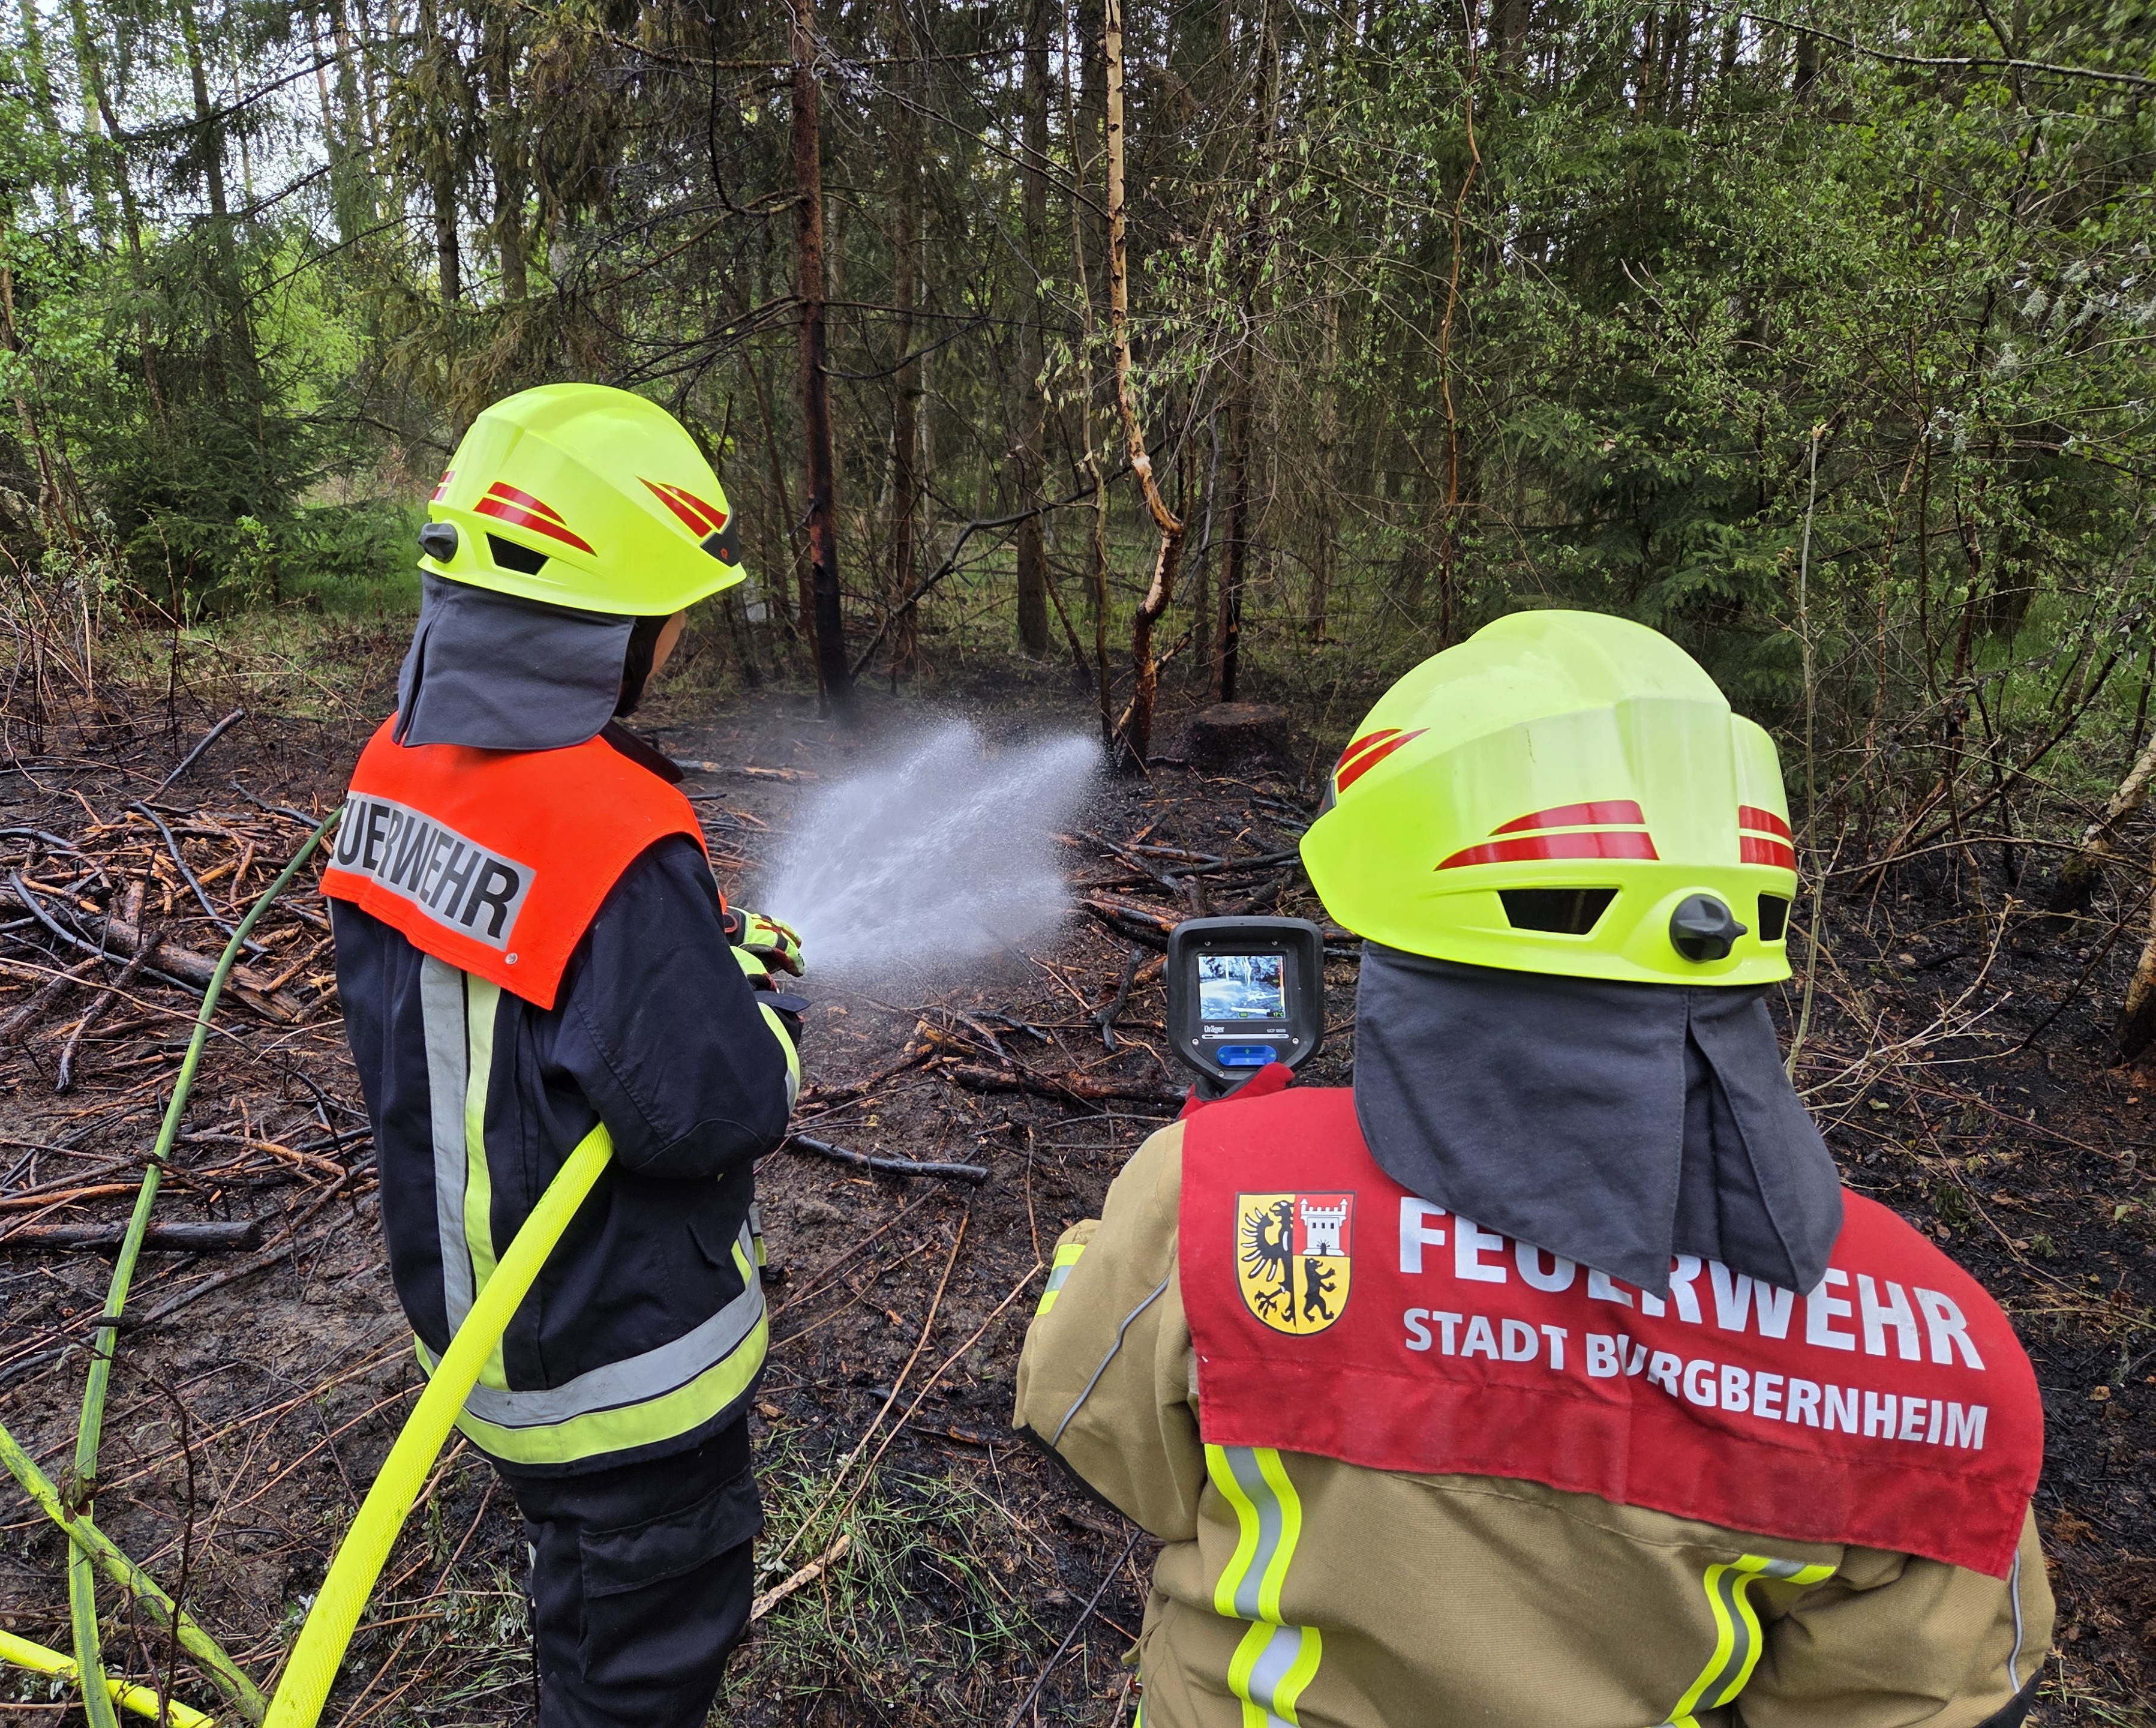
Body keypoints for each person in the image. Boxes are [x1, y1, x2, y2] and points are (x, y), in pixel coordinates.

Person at [1016, 610, 2050, 1728]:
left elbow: (1099, 1441)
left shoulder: (1219, 1198)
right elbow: (1911, 1699)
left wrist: (1219, 1168)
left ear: (1402, 899)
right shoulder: (1945, 1346)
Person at [324, 383, 804, 1728]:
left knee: (583, 1596)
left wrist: (684, 961)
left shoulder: (392, 765)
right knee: (639, 1663)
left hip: (476, 1332)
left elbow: (505, 988)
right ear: (609, 630)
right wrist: (761, 1015)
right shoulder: (613, 833)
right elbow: (716, 1104)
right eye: (663, 618)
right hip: (624, 1378)